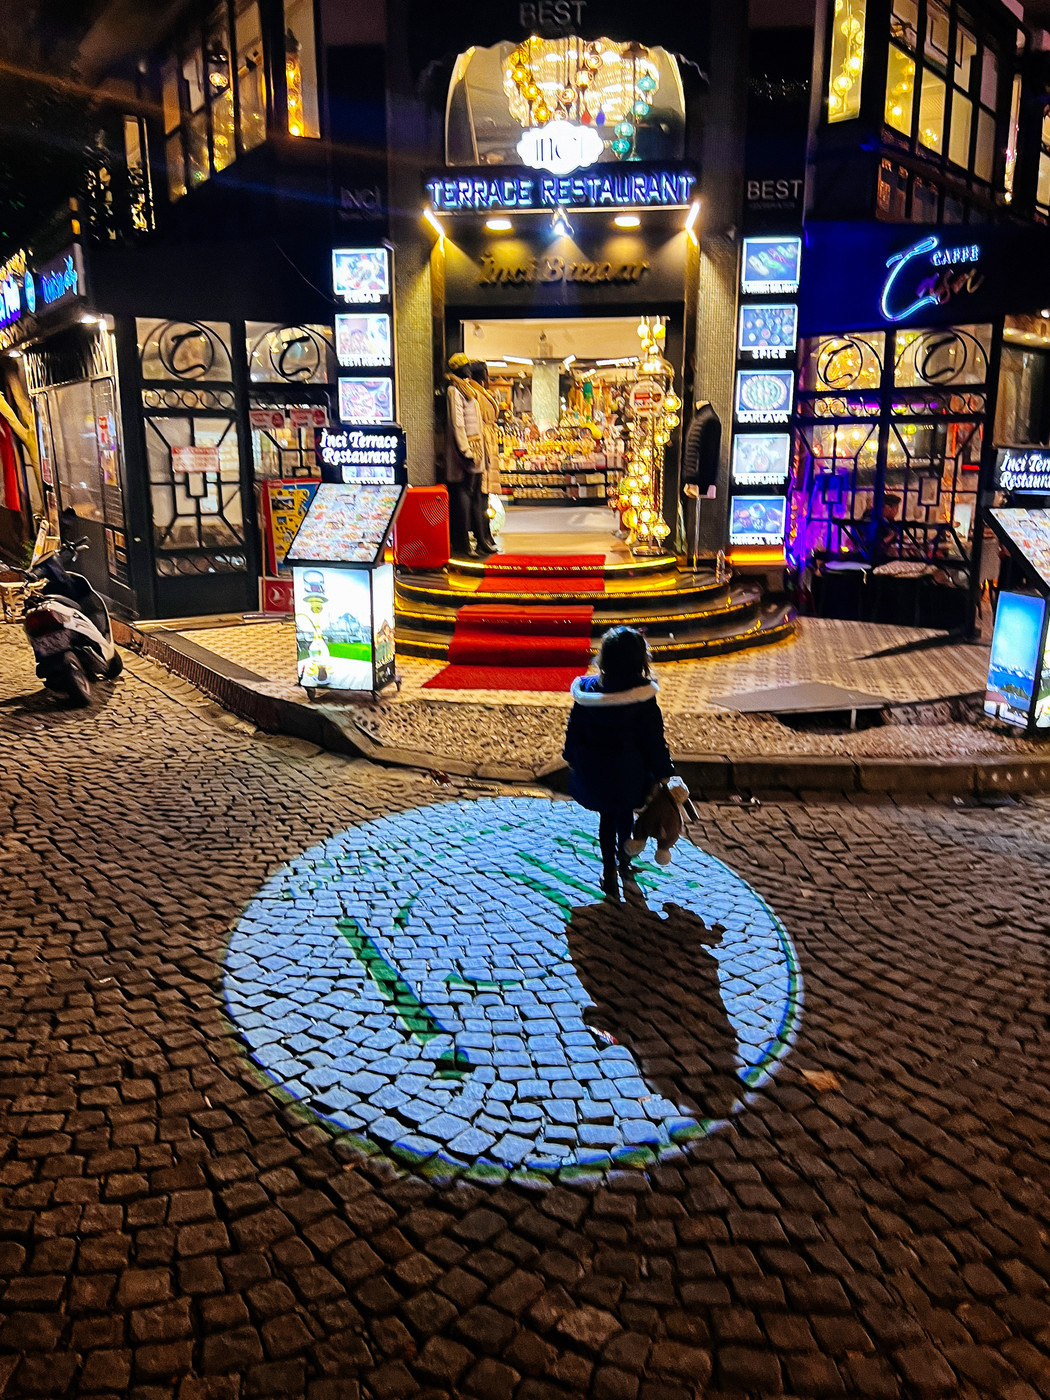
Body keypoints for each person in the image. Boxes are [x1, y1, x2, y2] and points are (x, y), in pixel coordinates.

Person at [563, 627, 674, 899]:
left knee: (606, 818)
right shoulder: (643, 699)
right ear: (640, 661)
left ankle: (609, 869)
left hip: (596, 771)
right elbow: (653, 740)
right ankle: (625, 863)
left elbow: (574, 729)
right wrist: (663, 772)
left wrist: (571, 757)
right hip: (630, 774)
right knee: (625, 814)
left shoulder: (587, 693)